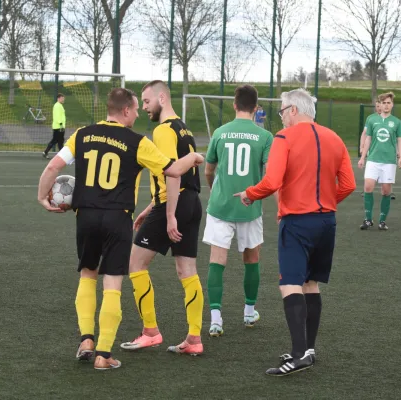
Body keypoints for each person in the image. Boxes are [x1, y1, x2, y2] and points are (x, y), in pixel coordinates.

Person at [37, 88, 204, 370]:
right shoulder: (137, 142)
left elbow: (54, 166)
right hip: (117, 219)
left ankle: (86, 340)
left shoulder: (82, 134)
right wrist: (196, 158)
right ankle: (103, 354)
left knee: (87, 275)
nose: (139, 113)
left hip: (86, 216)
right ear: (125, 110)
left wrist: (42, 196)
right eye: (136, 108)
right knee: (112, 282)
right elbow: (174, 170)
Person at [235, 88, 356, 376]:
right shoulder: (335, 138)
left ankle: (300, 355)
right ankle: (308, 349)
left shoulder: (284, 138)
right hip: (326, 222)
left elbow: (272, 181)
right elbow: (349, 184)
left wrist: (250, 194)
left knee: (289, 284)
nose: (280, 118)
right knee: (311, 284)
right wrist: (325, 202)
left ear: (292, 110)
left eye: (281, 111)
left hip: (298, 222)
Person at [121, 80, 204, 356]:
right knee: (187, 272)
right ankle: (194, 339)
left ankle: (150, 332)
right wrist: (150, 208)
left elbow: (172, 172)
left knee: (135, 265)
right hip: (192, 202)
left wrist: (168, 215)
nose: (143, 107)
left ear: (161, 98)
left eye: (146, 101)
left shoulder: (164, 129)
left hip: (175, 203)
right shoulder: (184, 128)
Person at [203, 85, 273, 337]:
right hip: (249, 206)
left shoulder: (220, 133)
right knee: (252, 259)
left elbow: (209, 170)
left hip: (220, 205)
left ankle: (215, 319)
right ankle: (248, 312)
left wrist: (214, 189)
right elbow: (270, 175)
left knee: (216, 260)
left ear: (234, 105)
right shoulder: (265, 137)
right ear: (256, 108)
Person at [358, 92, 401, 230]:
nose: (386, 105)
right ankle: (368, 219)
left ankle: (382, 221)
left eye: (388, 103)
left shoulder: (397, 122)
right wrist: (362, 157)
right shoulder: (372, 120)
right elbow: (368, 138)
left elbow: (400, 140)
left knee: (385, 191)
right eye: (383, 103)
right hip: (373, 159)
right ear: (380, 104)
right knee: (368, 187)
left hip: (389, 161)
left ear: (392, 104)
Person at [43, 93, 66, 158]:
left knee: (59, 141)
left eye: (63, 98)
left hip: (59, 127)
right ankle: (46, 152)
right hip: (58, 127)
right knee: (57, 141)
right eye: (62, 98)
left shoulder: (59, 105)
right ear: (58, 98)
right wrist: (61, 125)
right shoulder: (57, 106)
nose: (63, 99)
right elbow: (57, 116)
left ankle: (46, 152)